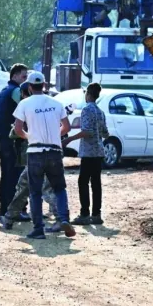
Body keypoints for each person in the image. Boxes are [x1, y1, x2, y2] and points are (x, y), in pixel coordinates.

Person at [12, 71, 75, 239]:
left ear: (30, 87)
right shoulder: (56, 103)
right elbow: (67, 127)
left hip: (35, 152)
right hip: (54, 152)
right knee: (59, 189)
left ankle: (38, 229)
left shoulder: (24, 104)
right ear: (45, 86)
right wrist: (55, 135)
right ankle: (63, 219)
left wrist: (29, 136)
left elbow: (18, 129)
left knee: (35, 193)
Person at [0, 82, 58, 229]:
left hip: (32, 154)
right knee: (44, 187)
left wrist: (27, 136)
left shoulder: (25, 107)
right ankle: (60, 217)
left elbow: (14, 132)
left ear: (27, 91)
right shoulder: (49, 104)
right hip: (50, 152)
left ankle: (9, 217)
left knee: (25, 188)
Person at [63, 82, 108, 225]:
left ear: (88, 94)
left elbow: (87, 131)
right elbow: (105, 133)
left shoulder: (87, 110)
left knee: (83, 182)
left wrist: (70, 139)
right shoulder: (100, 112)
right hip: (99, 151)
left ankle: (84, 213)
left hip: (89, 152)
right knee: (96, 183)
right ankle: (96, 214)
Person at [0, 63, 29, 221]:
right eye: (23, 76)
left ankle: (6, 211)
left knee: (7, 175)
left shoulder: (3, 92)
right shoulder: (16, 91)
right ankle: (10, 211)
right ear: (14, 76)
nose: (26, 80)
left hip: (2, 140)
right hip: (11, 142)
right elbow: (25, 110)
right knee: (14, 177)